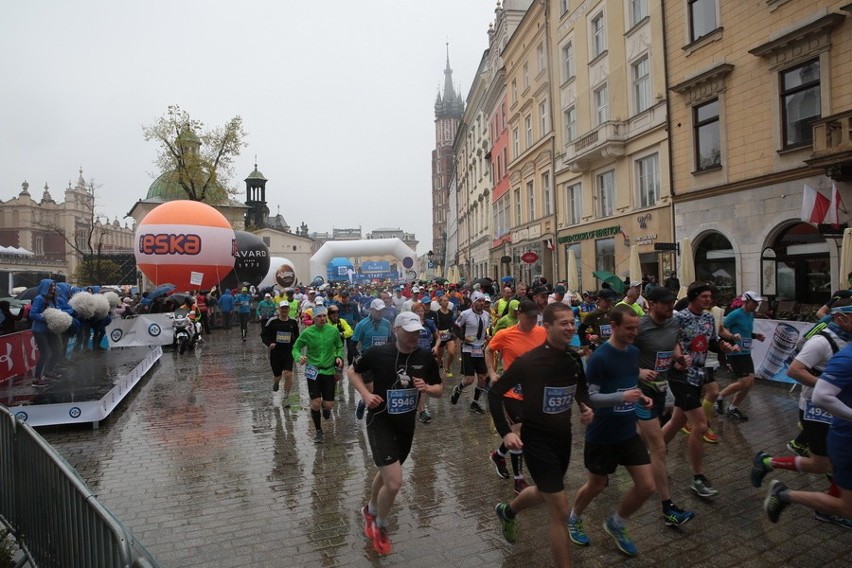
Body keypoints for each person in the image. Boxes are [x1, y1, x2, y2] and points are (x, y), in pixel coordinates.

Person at [491, 303, 593, 568]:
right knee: (559, 509)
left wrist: (586, 407)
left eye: (572, 322)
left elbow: (581, 389)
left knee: (545, 492)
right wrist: (505, 433)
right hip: (537, 441)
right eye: (564, 323)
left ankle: (508, 511)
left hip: (563, 438)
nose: (570, 327)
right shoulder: (529, 361)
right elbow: (495, 392)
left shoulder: (572, 358)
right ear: (546, 327)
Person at [751, 300, 852, 528]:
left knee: (822, 464)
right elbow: (794, 370)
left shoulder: (848, 340)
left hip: (835, 408)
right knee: (828, 464)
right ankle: (829, 508)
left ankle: (768, 462)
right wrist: (829, 385)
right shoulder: (821, 341)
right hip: (815, 408)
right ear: (840, 318)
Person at [349, 312, 443, 555]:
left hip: (406, 427)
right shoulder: (379, 353)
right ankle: (380, 524)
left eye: (417, 333)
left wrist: (427, 388)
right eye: (409, 332)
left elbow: (440, 389)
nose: (414, 337)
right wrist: (365, 395)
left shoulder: (425, 357)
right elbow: (352, 371)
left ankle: (369, 510)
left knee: (387, 471)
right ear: (396, 330)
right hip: (380, 422)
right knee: (394, 481)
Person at [568, 306, 655, 557]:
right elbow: (592, 397)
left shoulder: (634, 352)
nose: (634, 333)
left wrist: (640, 397)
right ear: (614, 326)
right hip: (602, 434)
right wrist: (623, 396)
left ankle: (616, 523)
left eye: (636, 328)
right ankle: (574, 518)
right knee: (597, 485)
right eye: (629, 328)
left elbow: (629, 383)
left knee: (647, 486)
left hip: (628, 431)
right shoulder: (599, 358)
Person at [661, 282, 738, 498]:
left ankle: (652, 455)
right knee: (700, 425)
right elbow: (668, 342)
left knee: (677, 420)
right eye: (704, 296)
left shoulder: (707, 318)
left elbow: (711, 343)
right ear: (693, 296)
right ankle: (698, 477)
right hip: (680, 375)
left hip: (698, 373)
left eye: (710, 296)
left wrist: (723, 345)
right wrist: (677, 358)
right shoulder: (679, 318)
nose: (708, 300)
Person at [631, 286, 695, 528]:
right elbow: (619, 353)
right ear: (651, 303)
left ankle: (609, 456)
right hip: (640, 392)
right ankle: (668, 509)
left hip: (660, 390)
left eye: (672, 302)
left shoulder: (673, 323)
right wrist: (638, 371)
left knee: (638, 438)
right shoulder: (639, 327)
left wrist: (679, 358)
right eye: (666, 303)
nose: (671, 306)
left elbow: (674, 342)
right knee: (658, 447)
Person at [485, 299, 547, 494]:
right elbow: (489, 350)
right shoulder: (505, 334)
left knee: (524, 432)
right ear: (519, 314)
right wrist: (492, 373)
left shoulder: (542, 332)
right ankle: (519, 479)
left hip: (533, 391)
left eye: (535, 317)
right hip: (511, 390)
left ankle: (498, 454)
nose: (532, 321)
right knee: (518, 430)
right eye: (528, 317)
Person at [708, 290, 766, 421]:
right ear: (746, 301)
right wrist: (730, 343)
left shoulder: (751, 315)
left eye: (758, 303)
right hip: (735, 352)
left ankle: (732, 408)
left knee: (750, 383)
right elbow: (722, 330)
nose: (756, 305)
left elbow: (745, 331)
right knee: (744, 381)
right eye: (754, 302)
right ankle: (720, 397)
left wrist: (756, 336)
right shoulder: (735, 314)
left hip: (746, 352)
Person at [291, 305, 344, 443]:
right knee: (315, 403)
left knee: (328, 405)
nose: (322, 319)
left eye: (324, 316)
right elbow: (296, 348)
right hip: (312, 370)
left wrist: (338, 356)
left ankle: (326, 408)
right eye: (319, 316)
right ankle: (318, 431)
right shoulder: (308, 333)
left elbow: (339, 346)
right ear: (313, 319)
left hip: (328, 369)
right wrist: (299, 357)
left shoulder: (333, 331)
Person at [351, 298, 394, 420]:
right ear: (371, 310)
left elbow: (390, 341)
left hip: (383, 362)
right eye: (378, 311)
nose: (380, 313)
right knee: (372, 391)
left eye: (382, 311)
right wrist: (359, 358)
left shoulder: (387, 323)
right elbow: (352, 345)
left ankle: (364, 403)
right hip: (368, 362)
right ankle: (373, 415)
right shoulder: (362, 325)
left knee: (381, 389)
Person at [450, 291, 491, 414]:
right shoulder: (465, 314)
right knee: (469, 380)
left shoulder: (487, 315)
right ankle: (458, 388)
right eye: (479, 301)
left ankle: (475, 402)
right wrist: (463, 337)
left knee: (483, 377)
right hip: (468, 348)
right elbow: (455, 328)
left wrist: (487, 336)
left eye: (483, 301)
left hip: (480, 349)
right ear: (473, 302)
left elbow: (485, 329)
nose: (482, 303)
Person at [261, 301, 300, 404]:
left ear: (288, 309)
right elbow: (264, 335)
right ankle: (276, 382)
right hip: (276, 352)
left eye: (286, 308)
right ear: (278, 309)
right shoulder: (272, 321)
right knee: (278, 376)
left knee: (288, 374)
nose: (284, 310)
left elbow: (297, 336)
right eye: (282, 308)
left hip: (288, 352)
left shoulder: (293, 322)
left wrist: (296, 347)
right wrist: (270, 344)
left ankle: (286, 397)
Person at [29, 279, 64, 387]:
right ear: (46, 287)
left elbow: (55, 310)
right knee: (45, 353)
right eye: (52, 286)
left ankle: (49, 372)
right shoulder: (39, 299)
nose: (54, 288)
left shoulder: (51, 299)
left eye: (54, 285)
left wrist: (60, 314)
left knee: (58, 350)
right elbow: (32, 314)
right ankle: (37, 378)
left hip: (50, 329)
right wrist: (47, 317)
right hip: (39, 330)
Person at [577, 288, 618, 353]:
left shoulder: (614, 312)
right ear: (600, 299)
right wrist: (589, 337)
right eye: (606, 301)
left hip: (614, 347)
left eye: (610, 301)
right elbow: (580, 330)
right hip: (599, 348)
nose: (608, 304)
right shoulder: (592, 314)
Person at [434, 294, 457, 378]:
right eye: (444, 301)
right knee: (439, 356)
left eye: (447, 300)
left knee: (451, 352)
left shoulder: (450, 312)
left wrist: (454, 333)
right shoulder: (437, 313)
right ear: (440, 302)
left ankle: (447, 368)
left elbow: (452, 324)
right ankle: (436, 371)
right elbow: (435, 326)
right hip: (440, 336)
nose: (446, 302)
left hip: (449, 334)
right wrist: (438, 334)